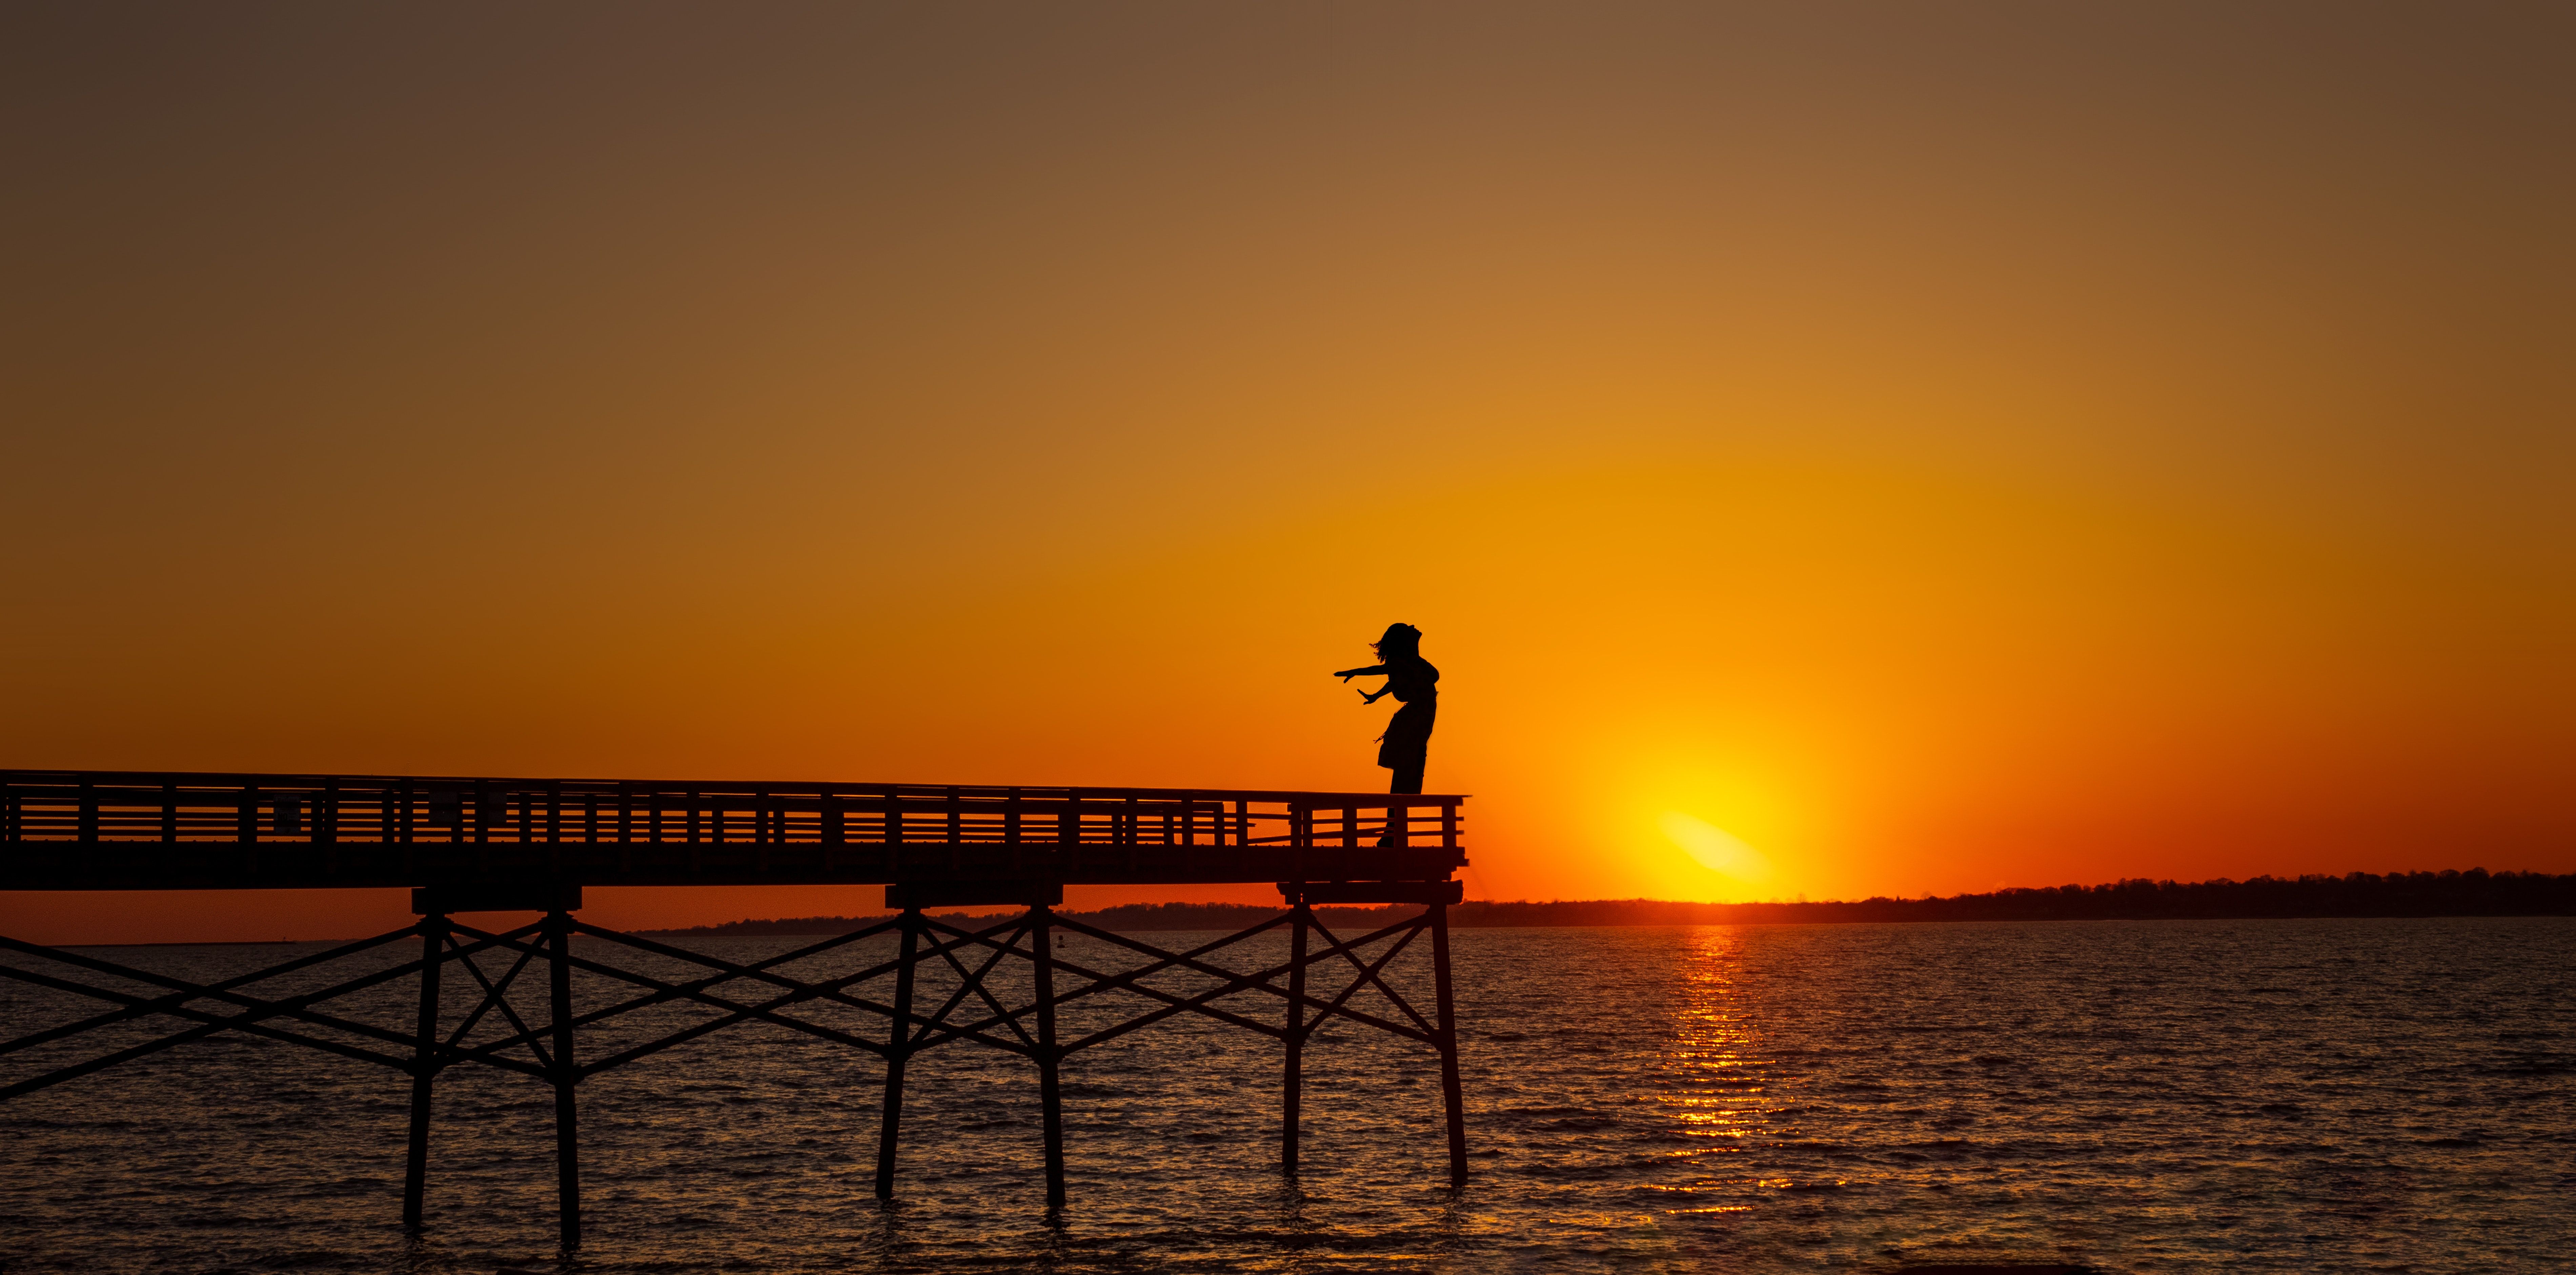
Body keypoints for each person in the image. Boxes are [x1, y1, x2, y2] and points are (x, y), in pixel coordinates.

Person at [1334, 623, 1439, 795]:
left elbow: (1398, 678)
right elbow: (1383, 671)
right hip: (1418, 712)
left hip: (1422, 710)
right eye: (1408, 628)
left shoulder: (1410, 662)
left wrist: (1376, 695)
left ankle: (1403, 801)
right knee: (1411, 756)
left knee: (1415, 755)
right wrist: (1355, 672)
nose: (1413, 626)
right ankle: (1399, 805)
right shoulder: (1402, 661)